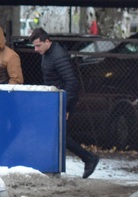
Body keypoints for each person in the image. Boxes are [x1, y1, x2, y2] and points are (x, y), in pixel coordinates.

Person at [29, 27, 99, 179]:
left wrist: (65, 106)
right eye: (34, 46)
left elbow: (72, 83)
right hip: (55, 101)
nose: (36, 49)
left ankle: (88, 158)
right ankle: (85, 159)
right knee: (56, 135)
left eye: (38, 45)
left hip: (61, 102)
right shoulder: (48, 53)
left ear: (47, 41)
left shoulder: (58, 55)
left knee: (58, 136)